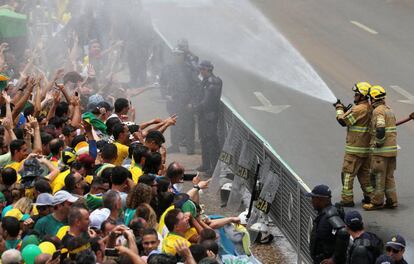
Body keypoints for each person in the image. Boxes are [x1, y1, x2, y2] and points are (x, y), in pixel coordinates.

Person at [334, 82, 374, 207]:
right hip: (366, 150)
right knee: (364, 175)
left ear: (362, 96)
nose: (354, 97)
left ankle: (347, 199)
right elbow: (355, 120)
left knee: (347, 174)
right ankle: (370, 197)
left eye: (356, 94)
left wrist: (339, 109)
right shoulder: (369, 108)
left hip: (354, 150)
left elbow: (343, 121)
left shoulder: (358, 109)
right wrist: (347, 110)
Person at [363, 86, 398, 210]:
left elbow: (381, 129)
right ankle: (392, 201)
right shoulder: (389, 110)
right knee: (389, 177)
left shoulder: (378, 111)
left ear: (373, 98)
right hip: (392, 152)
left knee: (377, 177)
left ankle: (377, 203)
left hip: (381, 153)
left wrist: (378, 142)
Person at [160, 48, 196, 155]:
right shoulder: (168, 68)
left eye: (179, 55)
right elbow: (162, 81)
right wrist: (165, 95)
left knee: (188, 124)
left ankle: (190, 147)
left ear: (183, 56)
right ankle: (175, 145)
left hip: (185, 101)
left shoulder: (189, 69)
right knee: (173, 123)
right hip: (173, 101)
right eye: (175, 55)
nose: (177, 57)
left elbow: (196, 86)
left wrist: (192, 101)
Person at [192, 60, 222, 174]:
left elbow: (207, 101)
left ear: (208, 69)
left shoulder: (213, 82)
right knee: (203, 140)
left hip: (210, 116)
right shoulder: (205, 81)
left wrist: (195, 107)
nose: (200, 71)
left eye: (202, 69)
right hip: (203, 115)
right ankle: (206, 164)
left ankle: (213, 168)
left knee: (211, 142)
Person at [307, 185, 349, 264]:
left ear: (320, 199)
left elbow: (344, 232)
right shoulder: (325, 214)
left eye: (313, 198)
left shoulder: (330, 215)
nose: (311, 201)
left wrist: (334, 259)